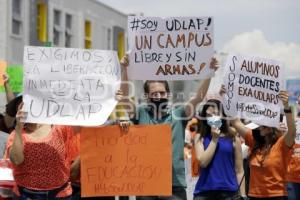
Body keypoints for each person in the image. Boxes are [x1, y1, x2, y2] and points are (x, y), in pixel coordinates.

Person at [119, 54, 219, 200]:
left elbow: (198, 97)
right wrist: (124, 69)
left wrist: (209, 72)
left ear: (168, 94)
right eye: (154, 93)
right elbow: (125, 97)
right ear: (147, 96)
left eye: (162, 92)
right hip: (146, 184)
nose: (159, 96)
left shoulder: (179, 114)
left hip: (174, 185)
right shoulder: (140, 113)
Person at [229, 89, 296, 200]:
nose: (257, 128)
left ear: (270, 128)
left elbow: (292, 131)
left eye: (260, 126)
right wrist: (229, 97)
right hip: (254, 196)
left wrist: (286, 106)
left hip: (276, 196)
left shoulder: (281, 144)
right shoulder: (254, 140)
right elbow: (235, 122)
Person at [5, 102, 80, 200]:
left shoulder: (59, 128)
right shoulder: (16, 135)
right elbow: (16, 160)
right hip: (26, 195)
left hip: (60, 194)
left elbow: (83, 127)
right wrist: (18, 128)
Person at [193, 98, 246, 200]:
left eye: (216, 114)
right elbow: (203, 162)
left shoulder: (233, 137)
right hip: (205, 192)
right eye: (209, 115)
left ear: (222, 116)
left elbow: (239, 170)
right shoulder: (200, 137)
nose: (213, 117)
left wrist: (243, 195)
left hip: (229, 192)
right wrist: (214, 139)